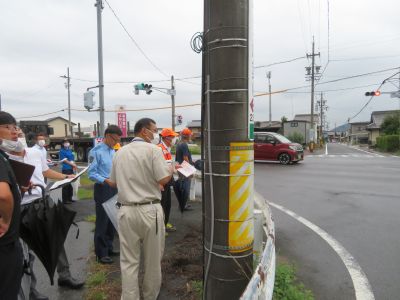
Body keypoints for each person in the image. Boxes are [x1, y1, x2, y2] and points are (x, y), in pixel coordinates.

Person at [8, 138, 85, 299]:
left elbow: (44, 171)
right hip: (20, 207)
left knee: (56, 239)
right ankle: (30, 290)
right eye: (9, 129)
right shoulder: (5, 158)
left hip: (42, 201)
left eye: (17, 129)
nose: (15, 133)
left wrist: (64, 177)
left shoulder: (35, 153)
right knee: (25, 252)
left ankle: (65, 276)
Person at [108, 118, 173, 300]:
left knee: (128, 261)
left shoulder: (119, 153)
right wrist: (171, 169)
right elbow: (162, 180)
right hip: (149, 210)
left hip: (126, 210)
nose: (155, 133)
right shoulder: (154, 150)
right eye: (154, 130)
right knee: (152, 261)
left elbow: (113, 182)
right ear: (144, 131)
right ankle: (150, 296)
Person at [88, 125, 122, 264]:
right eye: (115, 139)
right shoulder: (95, 152)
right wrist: (106, 181)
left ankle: (109, 247)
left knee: (112, 219)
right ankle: (101, 253)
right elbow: (91, 174)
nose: (116, 142)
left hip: (115, 188)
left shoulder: (114, 151)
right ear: (108, 136)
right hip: (103, 188)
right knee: (102, 220)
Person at [0, 111, 23, 300]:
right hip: (5, 242)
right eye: (9, 128)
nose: (13, 133)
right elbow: (3, 195)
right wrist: (6, 221)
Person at [157, 128, 179, 233]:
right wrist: (159, 183)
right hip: (162, 182)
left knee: (167, 205)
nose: (174, 139)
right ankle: (161, 228)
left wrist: (176, 167)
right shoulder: (159, 149)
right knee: (162, 205)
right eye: (173, 137)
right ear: (167, 138)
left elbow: (168, 165)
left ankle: (164, 224)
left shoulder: (166, 149)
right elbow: (157, 167)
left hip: (167, 180)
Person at [175, 128, 194, 211]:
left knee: (182, 186)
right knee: (185, 188)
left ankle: (183, 204)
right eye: (190, 135)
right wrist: (190, 170)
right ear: (187, 136)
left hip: (180, 167)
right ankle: (182, 205)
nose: (191, 136)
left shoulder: (179, 143)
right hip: (184, 169)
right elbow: (185, 158)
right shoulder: (184, 145)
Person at [59, 139, 77, 204]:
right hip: (65, 169)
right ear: (63, 144)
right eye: (65, 142)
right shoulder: (61, 151)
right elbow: (65, 160)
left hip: (71, 168)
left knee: (70, 184)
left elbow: (72, 158)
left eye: (68, 142)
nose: (67, 143)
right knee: (65, 185)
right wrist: (72, 164)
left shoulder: (70, 150)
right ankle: (65, 200)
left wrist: (74, 164)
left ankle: (70, 198)